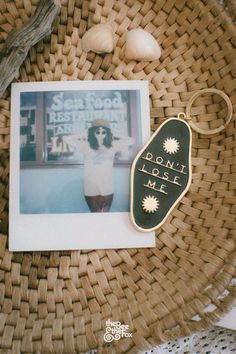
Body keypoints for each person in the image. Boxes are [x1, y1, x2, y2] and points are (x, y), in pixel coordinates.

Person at [63, 119, 135, 212]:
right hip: (91, 187)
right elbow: (66, 139)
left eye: (104, 132)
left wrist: (114, 132)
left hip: (107, 187)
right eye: (97, 132)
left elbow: (132, 140)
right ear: (93, 132)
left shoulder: (113, 145)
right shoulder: (85, 145)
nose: (100, 134)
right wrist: (85, 133)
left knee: (105, 215)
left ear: (107, 133)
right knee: (94, 215)